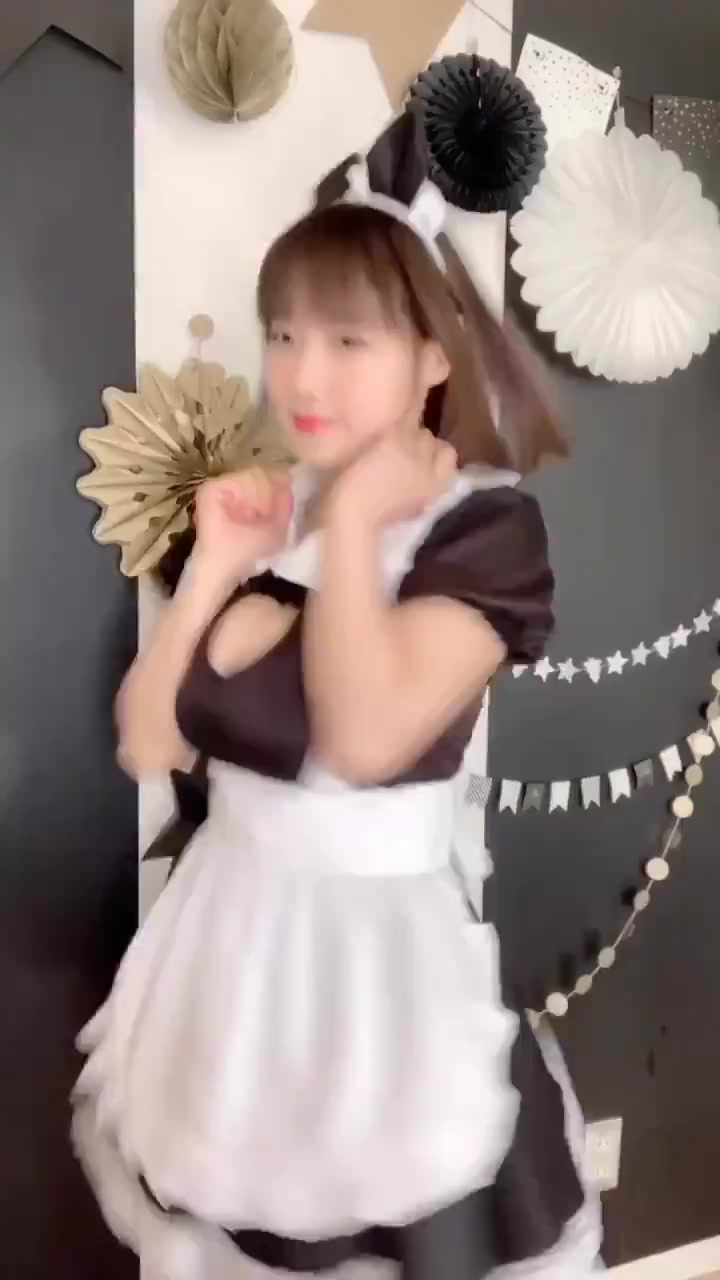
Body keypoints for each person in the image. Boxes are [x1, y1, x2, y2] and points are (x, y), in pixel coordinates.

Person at [72, 112, 603, 1279]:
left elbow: (364, 739)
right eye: (284, 333)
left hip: (374, 993)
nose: (302, 374)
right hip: (228, 966)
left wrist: (357, 522)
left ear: (434, 356)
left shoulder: (483, 529)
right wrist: (211, 565)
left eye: (348, 339)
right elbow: (148, 739)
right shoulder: (275, 515)